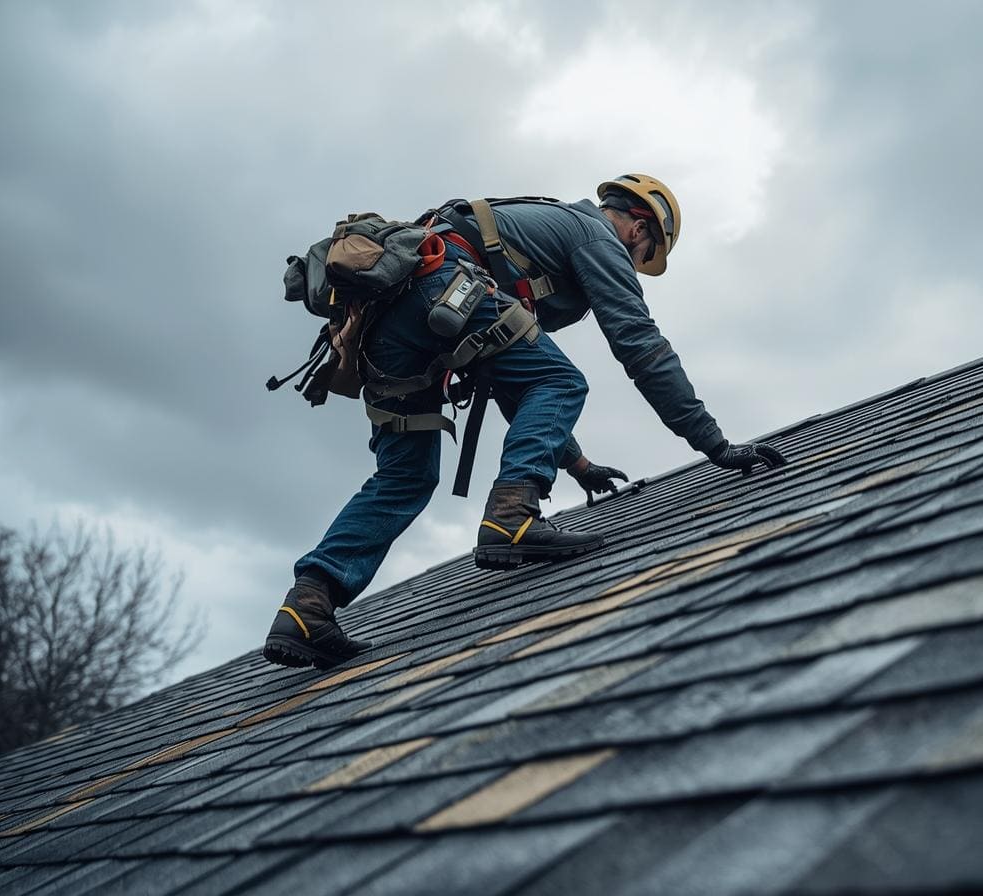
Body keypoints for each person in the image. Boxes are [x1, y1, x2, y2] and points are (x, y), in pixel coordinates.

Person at [262, 174, 788, 669]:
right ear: (639, 228)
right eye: (644, 255)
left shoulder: (537, 234)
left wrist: (578, 465)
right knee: (563, 380)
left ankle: (308, 605)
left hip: (386, 324)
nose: (635, 264)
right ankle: (512, 517)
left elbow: (517, 380)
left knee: (405, 474)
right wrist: (715, 445)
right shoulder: (596, 236)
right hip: (444, 287)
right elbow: (639, 345)